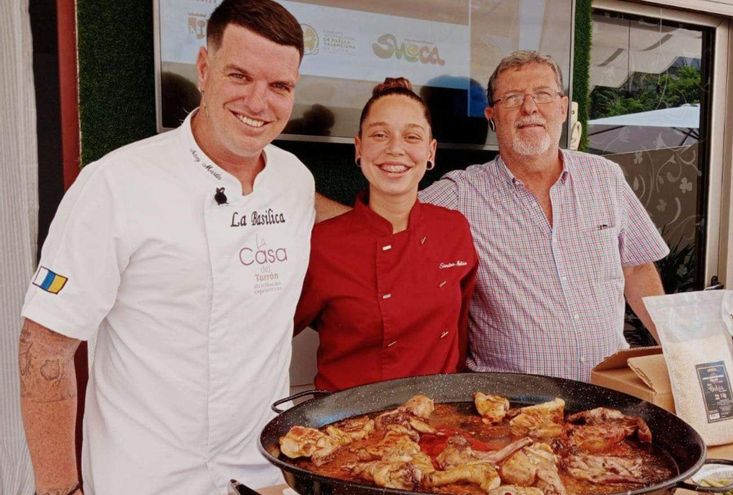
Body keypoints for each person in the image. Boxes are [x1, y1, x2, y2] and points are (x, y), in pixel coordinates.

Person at [19, 1, 313, 493]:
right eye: (239, 76)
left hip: (265, 473)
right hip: (144, 478)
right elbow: (45, 346)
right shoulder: (115, 183)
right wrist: (59, 489)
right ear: (203, 68)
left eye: (279, 86)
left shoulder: (295, 181)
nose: (259, 103)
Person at [316, 51, 668, 382]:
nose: (530, 107)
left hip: (607, 394)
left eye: (543, 94)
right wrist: (295, 194)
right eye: (512, 98)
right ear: (492, 117)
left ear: (563, 108)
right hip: (508, 409)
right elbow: (381, 222)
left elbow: (637, 267)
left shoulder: (605, 176)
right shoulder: (461, 193)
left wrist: (678, 352)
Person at [295, 78, 478, 391]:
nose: (395, 149)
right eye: (380, 135)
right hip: (347, 424)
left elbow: (460, 331)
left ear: (430, 151)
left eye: (412, 136)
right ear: (359, 147)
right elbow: (272, 331)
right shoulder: (321, 245)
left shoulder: (454, 230)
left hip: (438, 419)